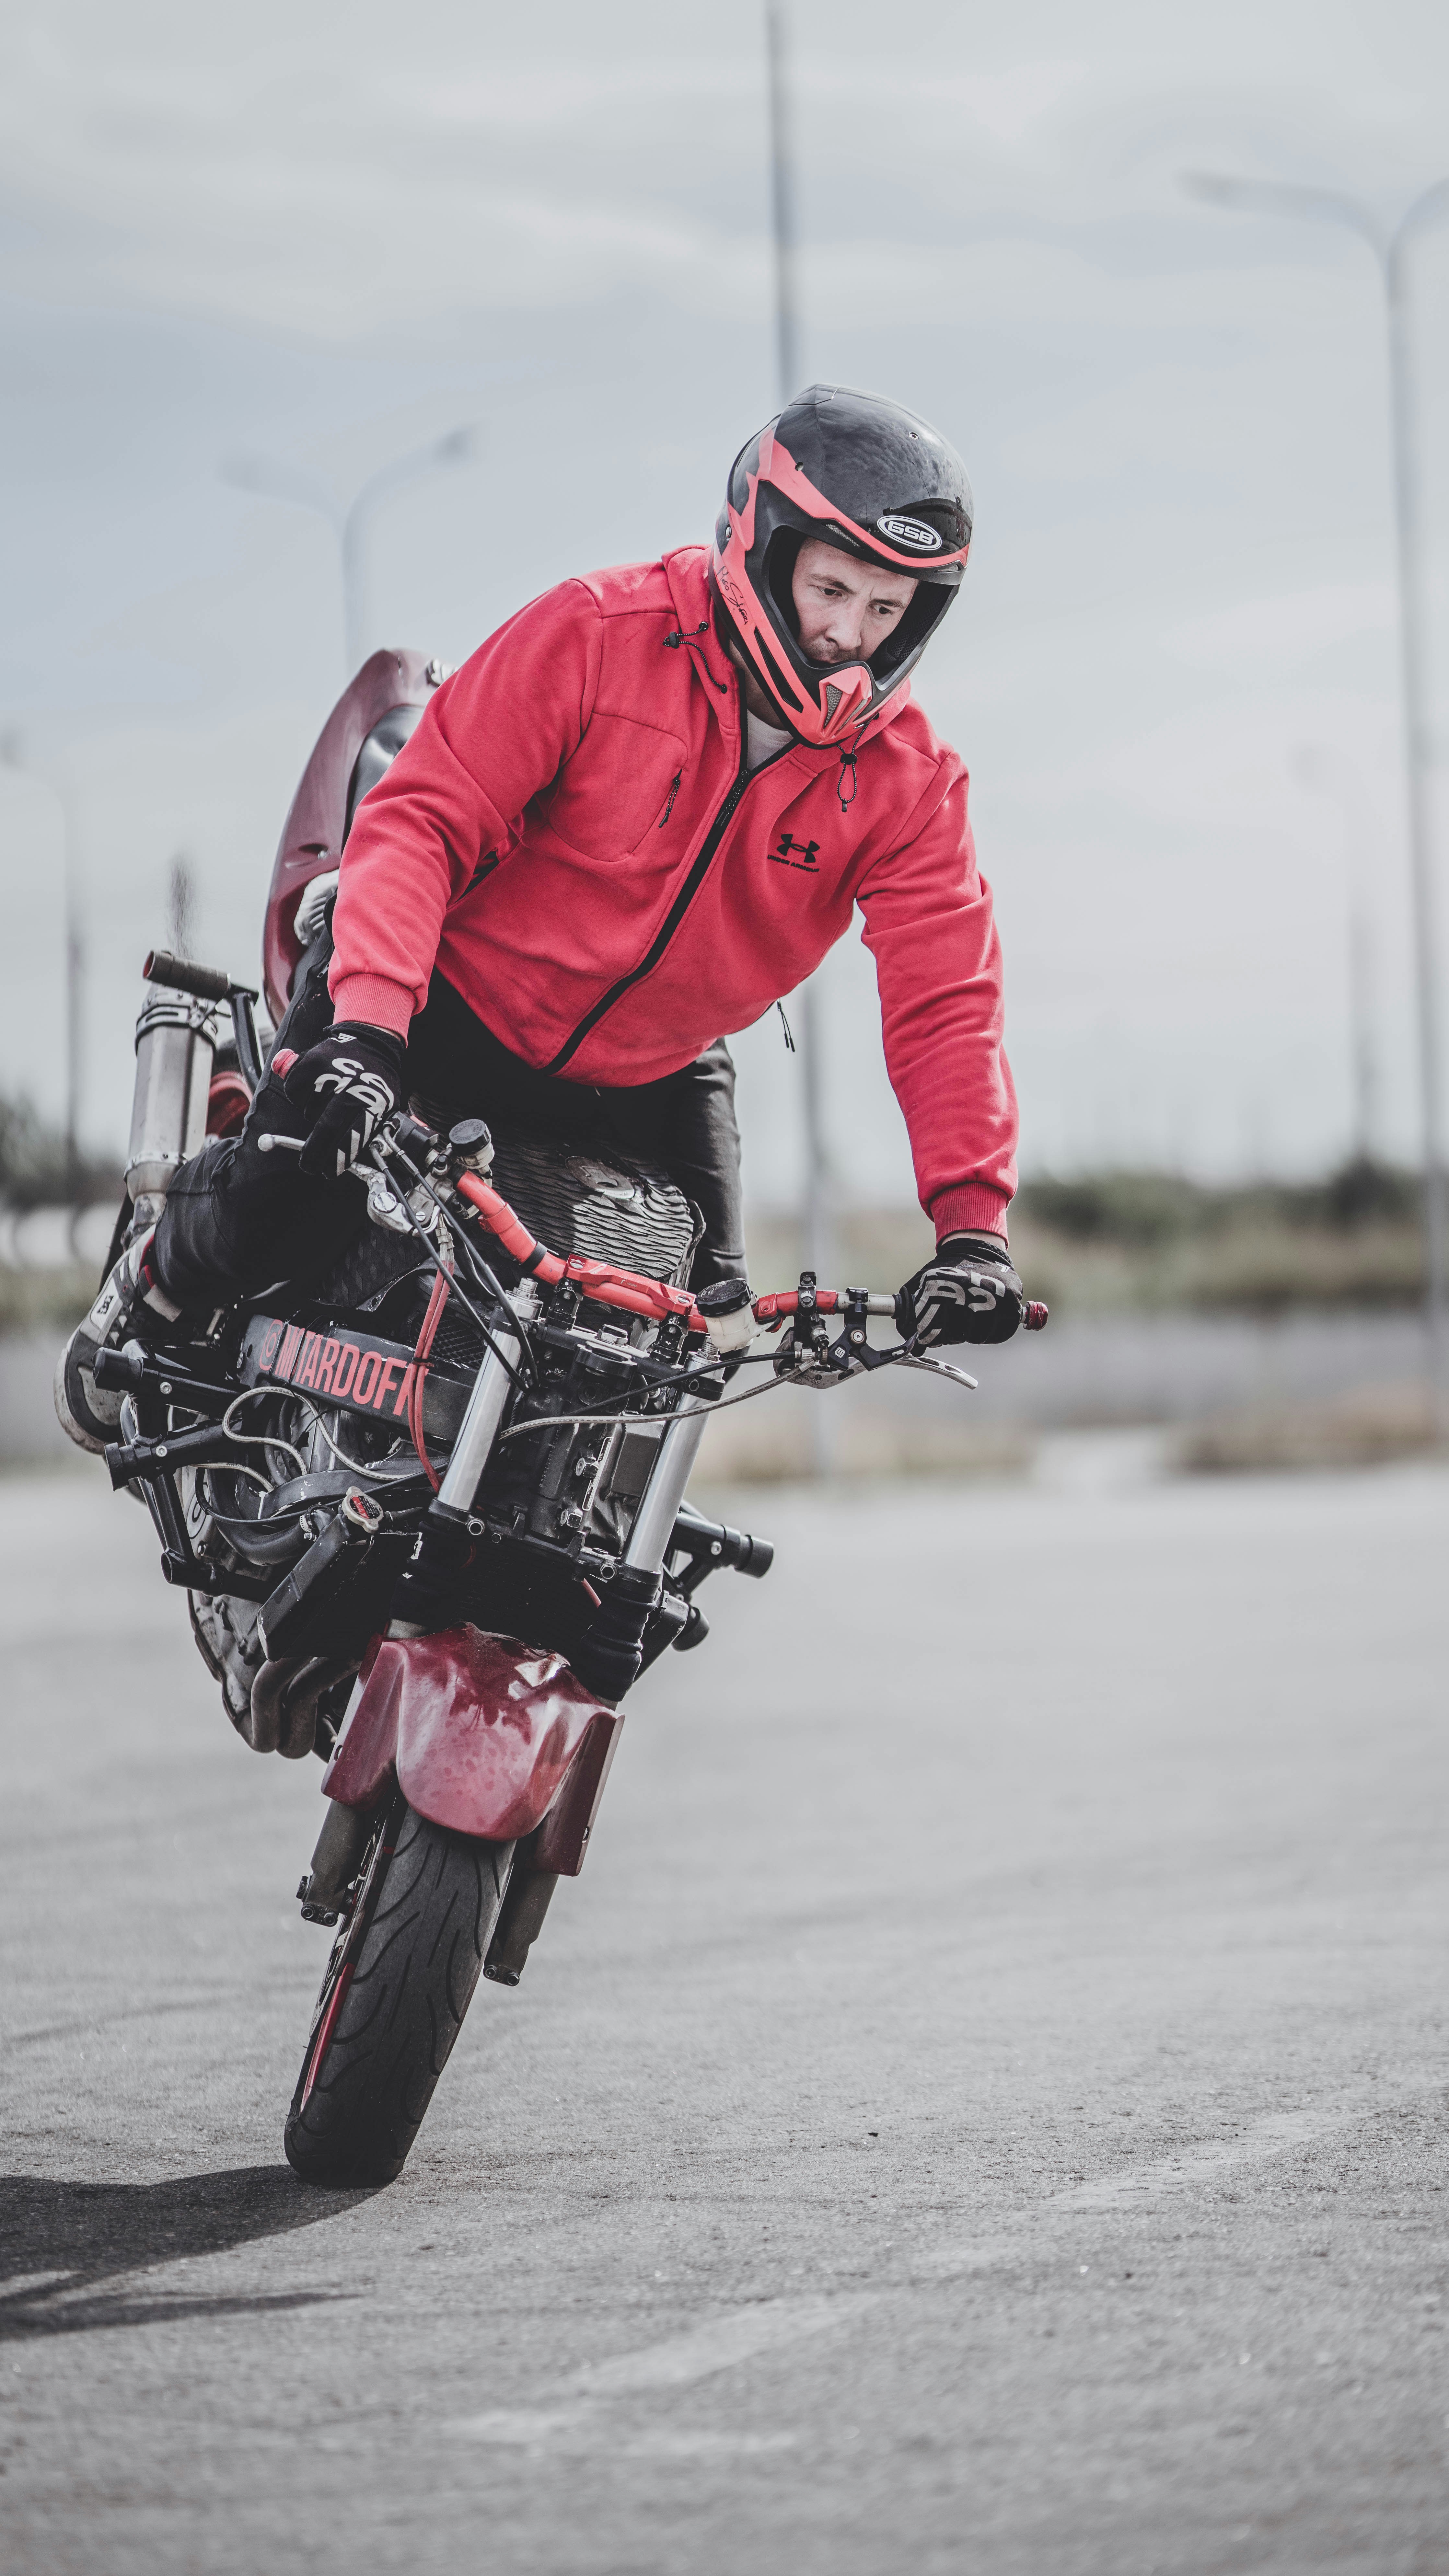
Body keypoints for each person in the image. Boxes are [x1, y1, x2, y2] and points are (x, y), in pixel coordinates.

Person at [61, 382, 1025, 1445]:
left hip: (656, 1066)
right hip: (441, 996)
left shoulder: (913, 782)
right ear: (763, 549)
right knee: (291, 1187)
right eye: (832, 589)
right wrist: (370, 1028)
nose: (849, 636)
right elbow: (423, 819)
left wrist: (972, 1233)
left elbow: (944, 1004)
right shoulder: (598, 633)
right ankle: (154, 1276)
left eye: (886, 610)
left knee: (692, 1349)